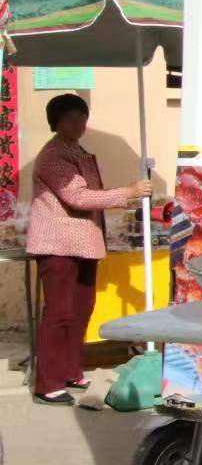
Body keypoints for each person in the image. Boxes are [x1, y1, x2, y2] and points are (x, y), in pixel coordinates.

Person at [26, 94, 151, 405]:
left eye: (82, 117)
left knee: (82, 308)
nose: (78, 124)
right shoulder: (53, 155)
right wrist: (128, 192)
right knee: (58, 312)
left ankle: (70, 370)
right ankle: (47, 383)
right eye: (71, 118)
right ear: (56, 122)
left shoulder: (78, 151)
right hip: (58, 244)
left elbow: (92, 195)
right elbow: (79, 197)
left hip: (85, 242)